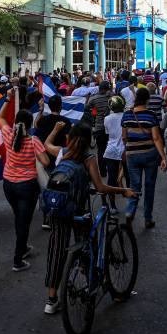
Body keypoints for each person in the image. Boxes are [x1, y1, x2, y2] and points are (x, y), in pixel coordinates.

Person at [40, 122, 134, 314]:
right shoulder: (89, 158)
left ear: (69, 138)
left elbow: (46, 143)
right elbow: (100, 188)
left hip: (57, 209)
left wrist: (56, 129)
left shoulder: (61, 153)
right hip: (78, 212)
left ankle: (51, 299)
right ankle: (90, 277)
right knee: (87, 244)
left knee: (57, 251)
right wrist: (123, 190)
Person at [0, 88, 49, 272]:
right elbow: (45, 161)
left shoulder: (9, 136)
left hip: (8, 184)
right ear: (29, 124)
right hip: (27, 186)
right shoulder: (33, 141)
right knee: (23, 222)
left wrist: (8, 99)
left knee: (19, 217)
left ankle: (24, 247)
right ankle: (17, 261)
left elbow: (0, 118)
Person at [121, 87, 167, 228]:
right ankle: (148, 218)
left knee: (134, 186)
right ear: (147, 99)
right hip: (150, 154)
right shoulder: (150, 115)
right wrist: (163, 157)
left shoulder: (127, 115)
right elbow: (156, 138)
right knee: (149, 186)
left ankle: (130, 211)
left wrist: (129, 147)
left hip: (132, 155)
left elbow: (124, 137)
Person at [86, 82, 112, 173]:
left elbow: (87, 107)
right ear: (106, 89)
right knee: (109, 148)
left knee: (101, 149)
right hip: (110, 127)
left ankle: (102, 170)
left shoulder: (94, 98)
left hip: (99, 127)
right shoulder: (110, 97)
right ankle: (111, 168)